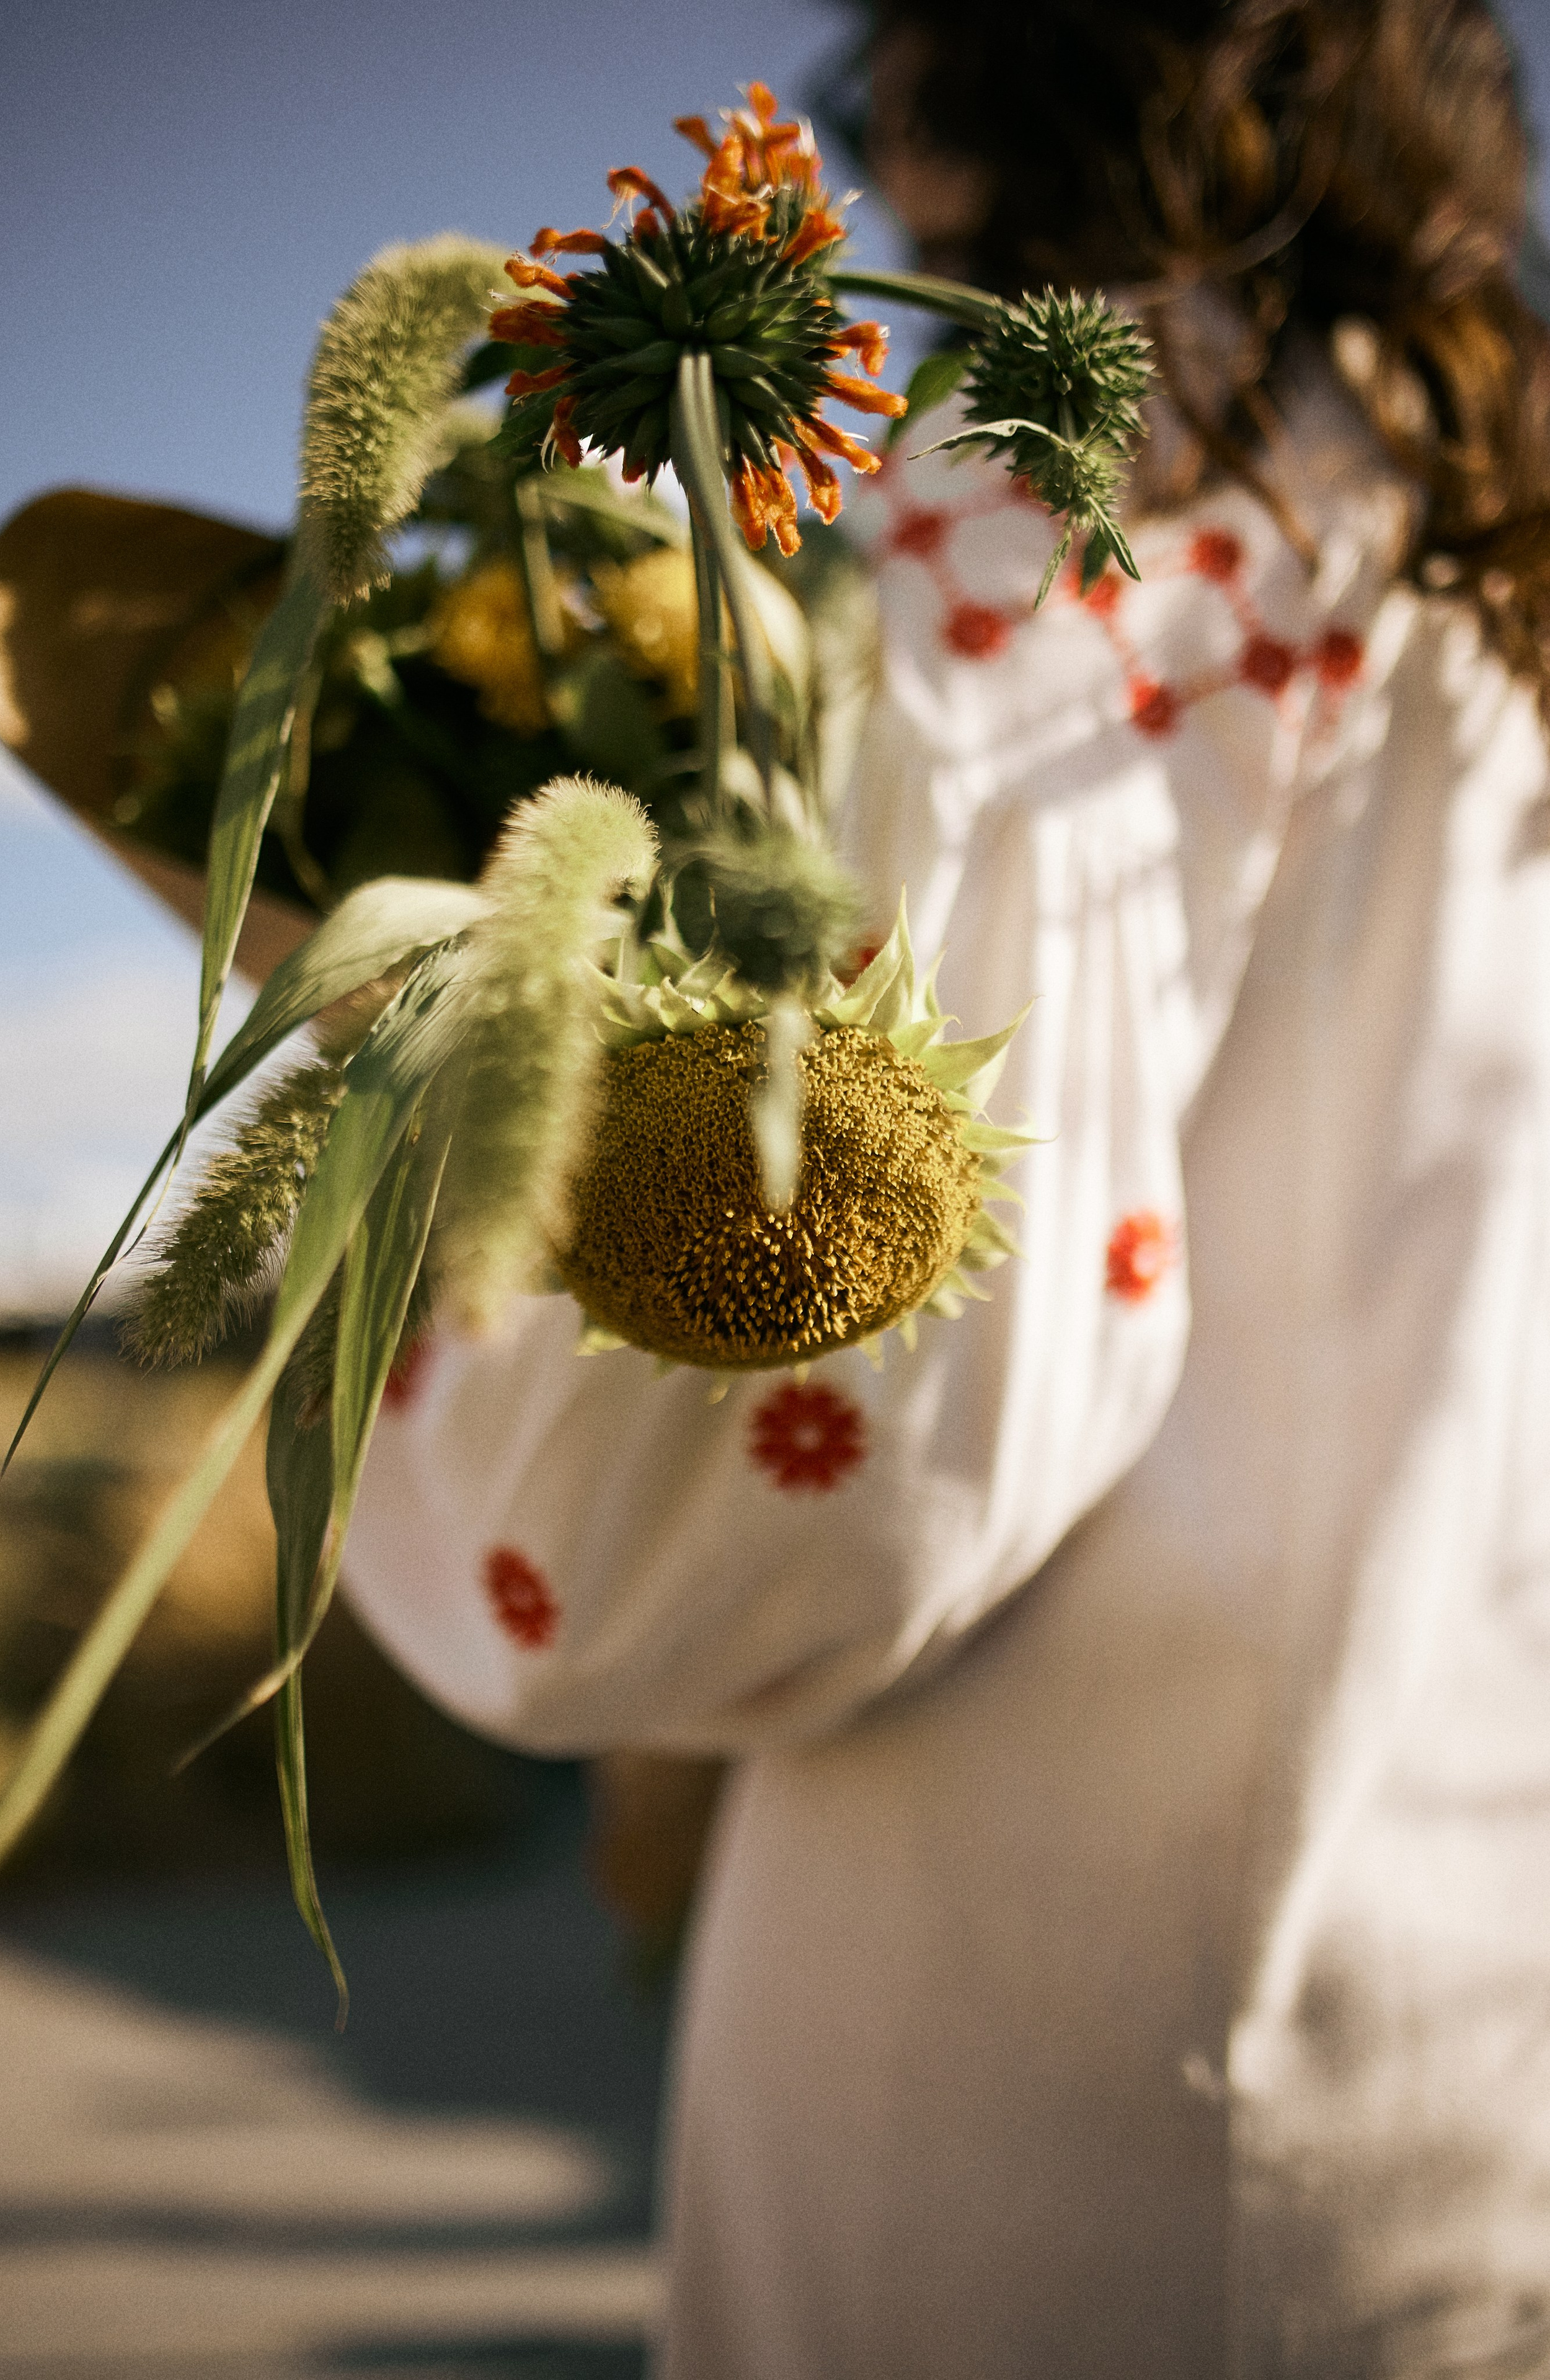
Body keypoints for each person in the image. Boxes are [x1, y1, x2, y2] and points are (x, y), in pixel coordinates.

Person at [341, 2, 1550, 2369]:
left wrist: (431, 1186)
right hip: (1473, 2035)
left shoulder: (1054, 489)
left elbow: (830, 1426)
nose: (865, 112)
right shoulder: (1499, 547)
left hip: (1046, 2084)